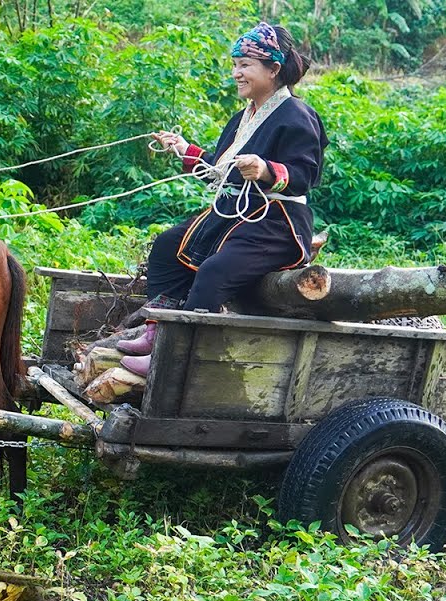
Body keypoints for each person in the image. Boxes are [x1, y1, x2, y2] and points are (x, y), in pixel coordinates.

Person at [119, 22, 328, 375]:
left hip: (278, 224)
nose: (236, 73)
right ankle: (157, 331)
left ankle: (172, 357)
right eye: (235, 65)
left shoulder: (298, 116)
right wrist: (184, 149)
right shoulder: (242, 117)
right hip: (235, 215)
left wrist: (265, 170)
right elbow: (221, 168)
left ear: (274, 69)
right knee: (167, 247)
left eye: (245, 65)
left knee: (214, 272)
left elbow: (305, 176)